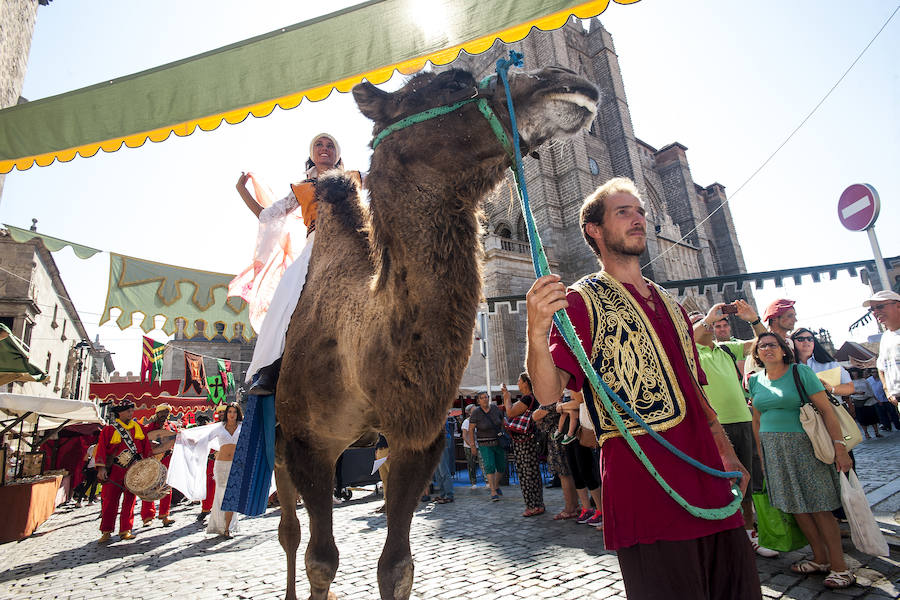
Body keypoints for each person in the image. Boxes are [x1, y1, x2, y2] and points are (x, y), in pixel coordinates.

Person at [525, 177, 759, 599]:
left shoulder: (672, 304)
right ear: (594, 230)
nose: (638, 219)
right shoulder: (581, 302)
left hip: (708, 477)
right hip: (645, 489)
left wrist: (728, 454)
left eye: (640, 212)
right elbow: (546, 393)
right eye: (623, 212)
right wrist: (536, 332)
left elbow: (697, 396)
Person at [240, 133, 360, 395]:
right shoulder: (302, 188)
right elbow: (266, 215)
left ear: (338, 154)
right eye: (319, 144)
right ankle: (270, 371)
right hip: (315, 247)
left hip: (351, 244)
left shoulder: (353, 179)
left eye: (330, 145)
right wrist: (241, 190)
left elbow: (387, 183)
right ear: (312, 152)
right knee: (284, 298)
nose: (324, 149)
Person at [749, 332, 854, 589]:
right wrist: (762, 455)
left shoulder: (799, 372)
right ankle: (819, 559)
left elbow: (827, 411)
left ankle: (840, 566)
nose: (767, 349)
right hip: (774, 450)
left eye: (772, 345)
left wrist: (840, 448)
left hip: (805, 446)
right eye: (762, 346)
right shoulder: (755, 381)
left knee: (819, 504)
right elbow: (757, 419)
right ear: (757, 354)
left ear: (784, 349)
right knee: (795, 505)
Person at [689, 303, 776, 558]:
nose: (707, 326)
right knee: (719, 483)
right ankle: (726, 533)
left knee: (747, 478)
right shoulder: (690, 353)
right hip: (715, 427)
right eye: (701, 322)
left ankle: (749, 531)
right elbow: (686, 337)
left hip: (742, 419)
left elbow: (766, 343)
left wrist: (754, 320)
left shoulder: (726, 349)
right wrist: (706, 319)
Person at [95, 402, 153, 543]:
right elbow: (101, 449)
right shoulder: (109, 430)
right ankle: (106, 530)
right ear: (120, 413)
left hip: (134, 470)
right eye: (128, 411)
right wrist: (101, 468)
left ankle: (126, 529)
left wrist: (148, 465)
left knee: (130, 501)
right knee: (110, 502)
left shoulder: (138, 428)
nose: (131, 413)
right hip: (115, 470)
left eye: (132, 411)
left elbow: (146, 448)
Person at [501, 374, 545, 517]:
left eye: (519, 381)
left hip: (523, 442)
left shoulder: (527, 398)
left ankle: (532, 506)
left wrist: (507, 397)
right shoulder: (533, 398)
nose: (518, 383)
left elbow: (510, 412)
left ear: (526, 383)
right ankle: (538, 504)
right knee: (533, 472)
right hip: (530, 439)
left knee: (525, 473)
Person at [559, 390, 603, 528]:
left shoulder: (574, 384)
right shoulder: (564, 389)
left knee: (587, 471)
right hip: (569, 435)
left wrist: (562, 407)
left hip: (583, 431)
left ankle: (601, 510)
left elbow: (578, 401)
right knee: (576, 472)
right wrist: (564, 406)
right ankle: (587, 508)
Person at [532, 401, 581, 520]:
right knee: (568, 473)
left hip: (557, 440)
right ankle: (575, 505)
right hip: (562, 437)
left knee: (564, 474)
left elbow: (535, 415)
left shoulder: (552, 401)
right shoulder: (559, 401)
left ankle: (569, 508)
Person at [207, 403, 243, 537]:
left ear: (238, 413)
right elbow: (204, 438)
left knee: (233, 496)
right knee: (222, 495)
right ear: (226, 414)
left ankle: (228, 527)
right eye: (229, 412)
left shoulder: (242, 427)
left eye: (234, 412)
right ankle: (219, 524)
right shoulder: (219, 428)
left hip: (237, 465)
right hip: (221, 465)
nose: (232, 414)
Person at [140, 403, 177, 527]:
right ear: (157, 414)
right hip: (152, 461)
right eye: (162, 412)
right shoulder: (149, 428)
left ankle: (165, 515)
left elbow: (176, 442)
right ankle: (147, 516)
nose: (164, 415)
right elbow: (144, 444)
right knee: (149, 488)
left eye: (166, 413)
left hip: (167, 461)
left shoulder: (171, 427)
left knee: (166, 489)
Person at [469, 391, 506, 501]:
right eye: (482, 398)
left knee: (501, 466)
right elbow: (471, 429)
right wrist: (472, 445)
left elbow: (502, 421)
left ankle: (495, 484)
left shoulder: (495, 409)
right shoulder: (476, 413)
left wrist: (504, 432)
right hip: (484, 444)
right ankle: (493, 491)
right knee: (489, 466)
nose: (485, 399)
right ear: (478, 401)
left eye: (486, 397)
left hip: (498, 441)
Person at [867, 291, 900, 412]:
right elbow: (881, 367)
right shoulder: (886, 337)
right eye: (872, 309)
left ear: (898, 305)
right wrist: (887, 391)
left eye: (880, 306)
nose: (875, 313)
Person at [432, 412, 456, 504]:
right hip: (435, 441)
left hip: (441, 440)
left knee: (443, 469)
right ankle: (443, 494)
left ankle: (449, 495)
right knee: (437, 471)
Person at [73, 438, 99, 508]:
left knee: (87, 485)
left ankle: (79, 501)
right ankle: (90, 501)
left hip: (89, 467)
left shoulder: (91, 447)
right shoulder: (100, 447)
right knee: (94, 485)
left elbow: (85, 458)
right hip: (96, 467)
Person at [460, 405, 479, 488]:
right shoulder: (466, 422)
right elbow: (464, 436)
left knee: (483, 463)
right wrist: (471, 445)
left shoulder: (479, 420)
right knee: (471, 464)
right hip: (468, 446)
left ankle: (487, 481)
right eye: (474, 410)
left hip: (479, 445)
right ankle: (473, 482)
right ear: (469, 412)